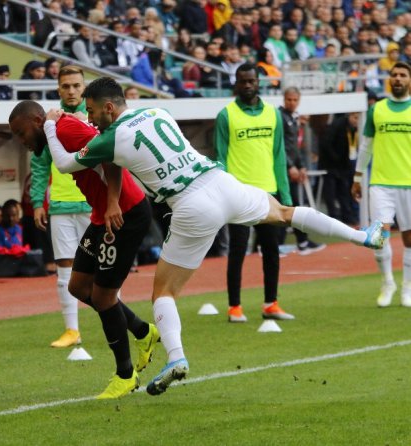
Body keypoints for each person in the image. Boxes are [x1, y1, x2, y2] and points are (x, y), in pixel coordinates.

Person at [43, 76, 385, 395]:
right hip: (221, 182)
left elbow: (63, 163)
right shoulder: (156, 111)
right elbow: (125, 155)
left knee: (164, 292)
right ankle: (362, 236)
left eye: (91, 112)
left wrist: (49, 124)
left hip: (190, 204)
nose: (91, 120)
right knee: (283, 213)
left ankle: (176, 357)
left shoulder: (109, 137)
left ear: (108, 108)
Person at [9, 100, 160, 399]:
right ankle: (144, 332)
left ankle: (125, 375)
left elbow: (111, 157)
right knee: (78, 286)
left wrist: (114, 203)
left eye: (21, 133)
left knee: (104, 296)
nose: (21, 141)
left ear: (37, 121)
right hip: (101, 213)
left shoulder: (65, 129)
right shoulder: (57, 130)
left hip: (123, 213)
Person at [215, 63, 295, 324]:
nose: (247, 85)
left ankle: (271, 303)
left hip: (269, 194)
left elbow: (279, 156)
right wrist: (225, 193)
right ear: (236, 83)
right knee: (238, 251)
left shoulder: (273, 115)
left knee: (271, 250)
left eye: (251, 81)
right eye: (242, 81)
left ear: (259, 82)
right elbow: (220, 158)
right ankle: (234, 307)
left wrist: (286, 196)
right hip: (239, 194)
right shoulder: (226, 115)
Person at [30, 65, 92, 348]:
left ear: (84, 87)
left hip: (95, 204)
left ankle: (116, 320)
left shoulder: (97, 116)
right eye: (65, 86)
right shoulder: (49, 122)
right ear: (58, 89)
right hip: (61, 205)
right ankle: (71, 330)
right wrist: (37, 202)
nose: (71, 91)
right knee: (65, 269)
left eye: (76, 86)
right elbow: (40, 165)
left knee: (106, 267)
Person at [352, 62, 411, 307]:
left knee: (409, 239)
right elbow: (366, 145)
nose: (397, 78)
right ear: (389, 80)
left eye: (403, 75)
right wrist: (357, 176)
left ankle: (407, 287)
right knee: (379, 235)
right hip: (381, 182)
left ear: (409, 80)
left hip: (408, 183)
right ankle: (388, 282)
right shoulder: (377, 110)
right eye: (394, 75)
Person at [279, 87, 326, 254]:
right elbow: (280, 146)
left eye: (294, 100)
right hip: (282, 171)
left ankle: (302, 242)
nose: (292, 103)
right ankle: (293, 243)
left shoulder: (293, 118)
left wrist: (301, 166)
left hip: (291, 168)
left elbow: (294, 147)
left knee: (293, 206)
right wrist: (290, 166)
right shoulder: (280, 117)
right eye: (289, 99)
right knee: (287, 206)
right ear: (284, 99)